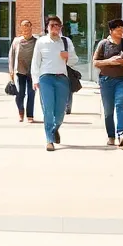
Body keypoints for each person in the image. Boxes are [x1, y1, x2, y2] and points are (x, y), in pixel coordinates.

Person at [30, 15, 78, 152]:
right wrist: (35, 80)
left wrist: (67, 56)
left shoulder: (66, 41)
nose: (55, 28)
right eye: (52, 25)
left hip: (62, 78)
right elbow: (35, 62)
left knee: (60, 112)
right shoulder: (41, 42)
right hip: (46, 79)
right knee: (48, 109)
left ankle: (55, 128)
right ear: (47, 27)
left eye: (58, 26)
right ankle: (49, 140)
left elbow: (75, 60)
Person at [93, 18, 123, 147]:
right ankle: (111, 136)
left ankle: (122, 134)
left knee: (120, 105)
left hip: (122, 80)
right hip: (105, 80)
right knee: (108, 111)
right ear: (111, 31)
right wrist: (110, 61)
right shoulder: (103, 44)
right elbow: (95, 62)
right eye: (118, 30)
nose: (121, 32)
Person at [8, 19, 37, 123]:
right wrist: (11, 71)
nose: (25, 28)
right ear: (21, 28)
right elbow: (11, 56)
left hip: (32, 72)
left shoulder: (36, 41)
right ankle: (21, 111)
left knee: (31, 93)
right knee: (20, 93)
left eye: (27, 25)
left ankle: (30, 115)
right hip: (20, 71)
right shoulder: (16, 41)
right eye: (23, 26)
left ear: (31, 27)